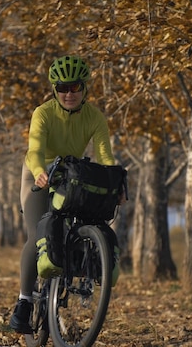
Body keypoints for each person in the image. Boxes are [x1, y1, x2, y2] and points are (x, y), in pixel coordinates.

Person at [9, 55, 117, 334]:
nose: (69, 94)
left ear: (84, 88)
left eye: (75, 87)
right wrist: (38, 171)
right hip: (39, 174)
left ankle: (67, 273)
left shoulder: (95, 117)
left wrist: (114, 186)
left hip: (71, 175)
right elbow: (34, 149)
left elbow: (105, 156)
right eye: (63, 88)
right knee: (38, 234)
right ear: (54, 90)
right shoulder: (42, 113)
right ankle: (23, 301)